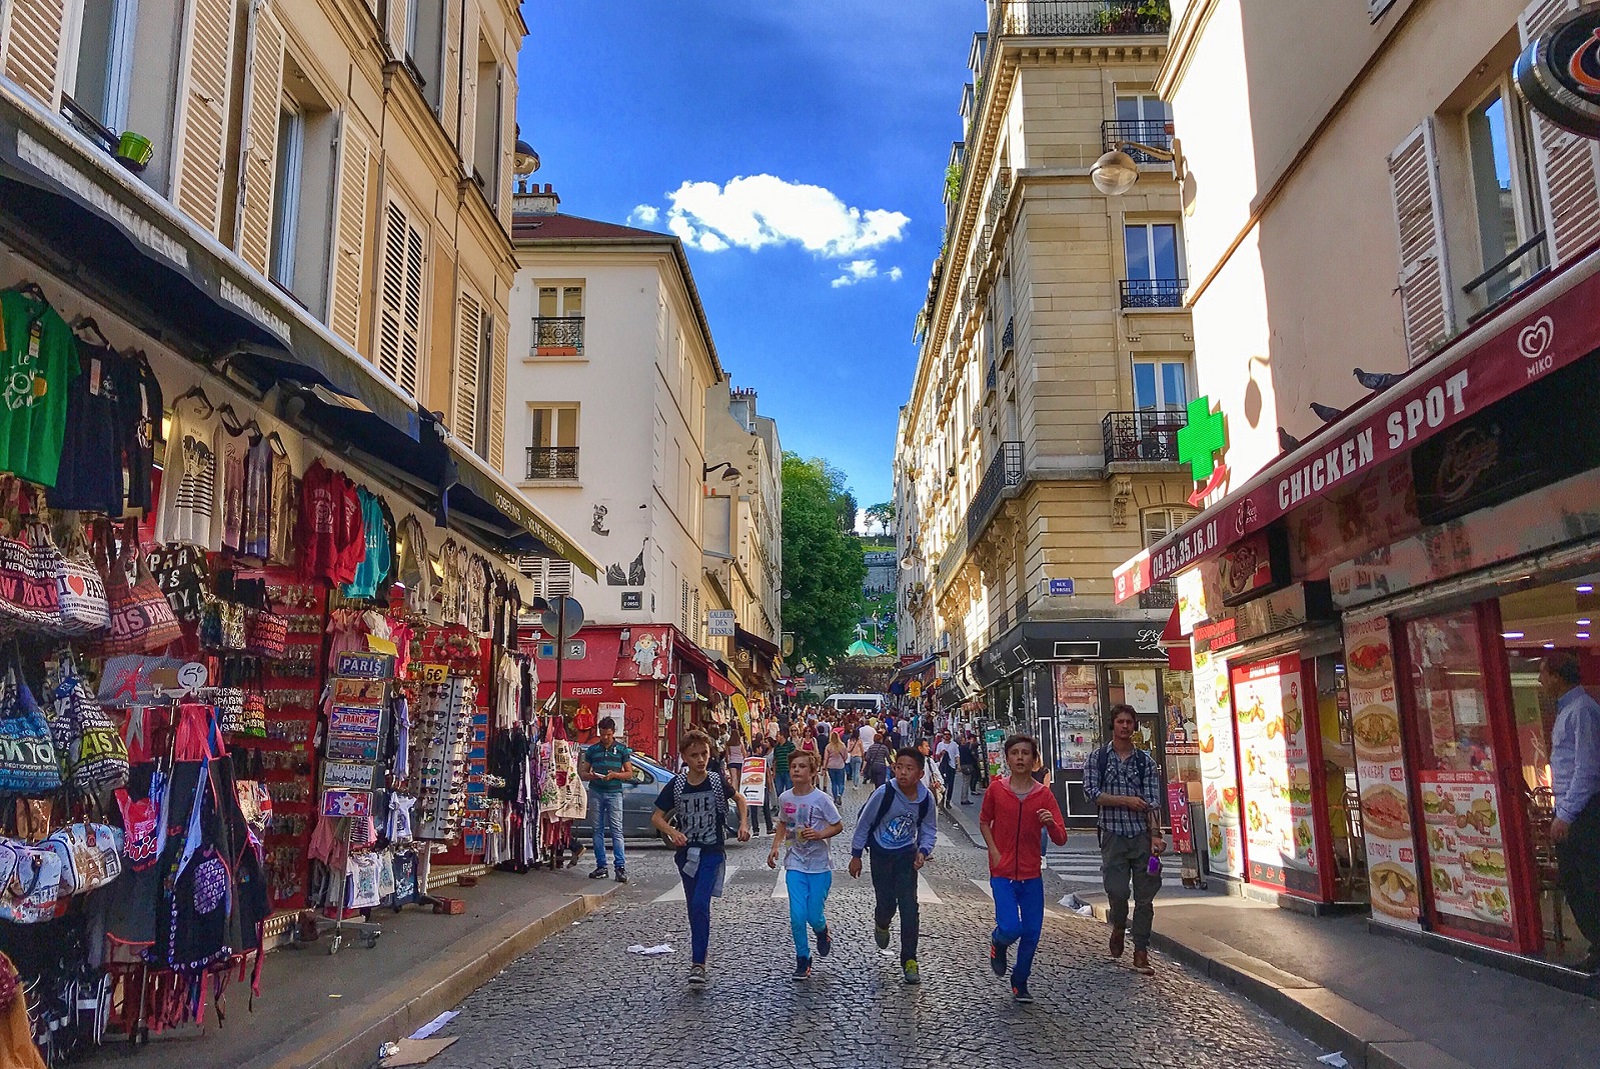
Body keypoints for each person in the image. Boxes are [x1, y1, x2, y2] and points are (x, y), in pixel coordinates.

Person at [652, 730, 750, 985]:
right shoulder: (677, 784)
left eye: (704, 754)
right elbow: (657, 817)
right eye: (694, 755)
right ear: (684, 757)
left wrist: (743, 825)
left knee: (699, 904)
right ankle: (699, 956)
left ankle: (698, 963)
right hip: (686, 855)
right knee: (693, 908)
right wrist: (673, 832)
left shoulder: (716, 782)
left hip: (711, 853)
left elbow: (740, 799)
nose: (700, 759)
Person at [980, 734, 1068, 1003]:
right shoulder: (996, 790)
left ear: (1034, 760)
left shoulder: (1044, 795)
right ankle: (998, 941)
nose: (1020, 757)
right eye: (1015, 753)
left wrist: (1051, 822)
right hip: (1003, 873)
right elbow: (985, 821)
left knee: (1031, 933)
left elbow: (1061, 838)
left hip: (1031, 874)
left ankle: (1020, 980)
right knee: (1010, 928)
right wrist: (994, 852)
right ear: (1007, 759)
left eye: (1026, 753)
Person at [1083, 704, 1166, 976]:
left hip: (1141, 836)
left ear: (1135, 726)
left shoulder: (1145, 762)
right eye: (1120, 721)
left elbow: (1154, 802)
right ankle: (1119, 924)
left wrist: (1156, 836)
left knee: (1145, 898)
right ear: (1113, 724)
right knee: (1117, 891)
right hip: (1113, 835)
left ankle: (1141, 950)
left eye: (1130, 722)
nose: (1125, 726)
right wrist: (1125, 801)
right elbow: (1091, 793)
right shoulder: (1098, 758)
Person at [849, 747, 937, 985]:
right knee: (886, 903)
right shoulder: (884, 793)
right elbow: (864, 823)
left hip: (906, 856)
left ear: (920, 773)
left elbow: (929, 829)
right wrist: (856, 855)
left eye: (909, 769)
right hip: (880, 854)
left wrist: (923, 850)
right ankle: (882, 921)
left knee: (910, 908)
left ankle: (910, 959)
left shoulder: (926, 798)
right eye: (899, 767)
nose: (903, 773)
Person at [1543, 652, 1600, 972]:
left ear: (1556, 676)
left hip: (1583, 811)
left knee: (1590, 881)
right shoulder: (1568, 711)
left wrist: (1566, 813)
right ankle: (1596, 943)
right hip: (1571, 808)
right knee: (1575, 881)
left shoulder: (1582, 711)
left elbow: (1587, 768)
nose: (1540, 680)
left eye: (1542, 673)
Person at [768, 751, 843, 980]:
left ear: (812, 772)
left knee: (813, 915)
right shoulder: (785, 798)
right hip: (795, 863)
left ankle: (822, 931)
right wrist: (775, 846)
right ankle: (803, 959)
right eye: (793, 767)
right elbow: (783, 823)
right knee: (797, 916)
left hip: (819, 866)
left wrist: (820, 834)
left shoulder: (821, 799)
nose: (796, 770)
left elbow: (838, 825)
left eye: (802, 767)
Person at [579, 717, 635, 883]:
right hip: (596, 791)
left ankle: (620, 866)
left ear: (613, 733)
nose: (605, 738)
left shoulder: (622, 750)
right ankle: (601, 865)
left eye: (608, 735)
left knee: (616, 830)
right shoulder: (592, 750)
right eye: (603, 735)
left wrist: (615, 775)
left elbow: (629, 773)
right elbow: (584, 772)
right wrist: (591, 775)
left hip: (614, 792)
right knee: (597, 830)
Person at [747, 737, 776, 836]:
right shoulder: (763, 760)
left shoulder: (748, 761)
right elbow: (767, 773)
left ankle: (755, 830)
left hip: (752, 787)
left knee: (753, 809)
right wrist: (770, 785)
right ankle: (769, 827)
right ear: (757, 748)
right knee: (766, 808)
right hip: (762, 786)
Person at [936, 732, 960, 810]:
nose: (946, 736)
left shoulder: (954, 745)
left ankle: (948, 801)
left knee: (951, 785)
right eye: (945, 734)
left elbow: (957, 755)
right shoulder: (940, 745)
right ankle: (942, 800)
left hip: (951, 766)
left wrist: (958, 765)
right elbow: (936, 755)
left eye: (948, 735)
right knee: (943, 784)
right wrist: (941, 754)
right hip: (943, 767)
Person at [824, 732, 849, 806]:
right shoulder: (842, 746)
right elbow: (845, 756)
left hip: (831, 766)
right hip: (840, 766)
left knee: (834, 783)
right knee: (841, 783)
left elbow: (826, 758)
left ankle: (835, 798)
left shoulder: (828, 746)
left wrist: (824, 767)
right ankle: (839, 794)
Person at [771, 728, 796, 798]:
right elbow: (775, 760)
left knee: (789, 790)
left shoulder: (790, 745)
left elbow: (794, 758)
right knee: (779, 791)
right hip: (779, 771)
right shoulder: (777, 747)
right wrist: (774, 772)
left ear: (783, 736)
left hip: (788, 771)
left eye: (778, 736)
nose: (776, 737)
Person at [958, 732, 980, 805]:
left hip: (964, 765)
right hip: (967, 765)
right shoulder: (965, 748)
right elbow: (972, 755)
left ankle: (964, 798)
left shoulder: (959, 749)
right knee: (966, 782)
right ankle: (964, 799)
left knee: (966, 781)